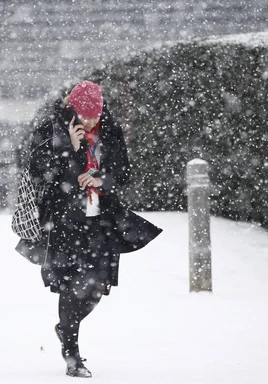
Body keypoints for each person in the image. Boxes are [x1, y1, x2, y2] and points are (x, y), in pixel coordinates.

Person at [15, 81, 162, 378]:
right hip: (64, 221)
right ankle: (72, 352)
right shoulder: (53, 127)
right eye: (86, 116)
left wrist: (101, 178)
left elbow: (124, 172)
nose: (91, 121)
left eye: (95, 115)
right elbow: (39, 170)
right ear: (73, 108)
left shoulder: (108, 127)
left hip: (100, 220)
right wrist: (69, 148)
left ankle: (65, 327)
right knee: (71, 285)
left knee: (96, 287)